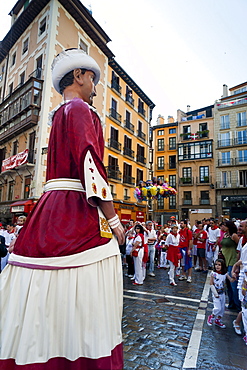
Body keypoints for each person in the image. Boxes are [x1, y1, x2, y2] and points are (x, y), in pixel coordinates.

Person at [0, 49, 125, 370]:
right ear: (79, 76)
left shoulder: (58, 114)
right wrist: (113, 218)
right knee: (93, 278)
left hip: (50, 206)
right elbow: (90, 164)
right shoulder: (82, 110)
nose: (96, 87)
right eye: (92, 78)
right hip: (76, 205)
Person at [207, 259, 234, 328]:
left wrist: (234, 276)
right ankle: (211, 316)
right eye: (216, 264)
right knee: (217, 308)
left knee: (222, 308)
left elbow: (231, 280)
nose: (217, 266)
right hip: (216, 293)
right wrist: (215, 293)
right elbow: (211, 283)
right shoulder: (213, 274)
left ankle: (218, 320)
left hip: (222, 293)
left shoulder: (225, 274)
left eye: (219, 265)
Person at [221, 220, 241, 312]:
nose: (222, 227)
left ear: (229, 226)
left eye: (224, 226)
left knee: (233, 284)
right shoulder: (225, 235)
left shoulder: (234, 236)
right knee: (228, 284)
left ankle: (238, 304)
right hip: (225, 260)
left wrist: (237, 263)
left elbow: (239, 248)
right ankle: (231, 302)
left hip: (232, 260)